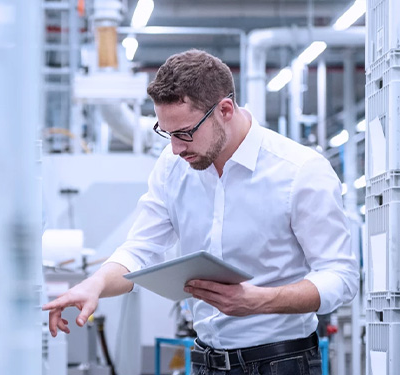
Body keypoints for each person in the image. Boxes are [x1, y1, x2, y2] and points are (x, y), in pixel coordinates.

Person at [43, 49, 359, 375]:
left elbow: (341, 277)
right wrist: (93, 286)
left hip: (282, 362)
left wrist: (259, 300)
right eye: (167, 134)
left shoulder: (299, 171)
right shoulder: (172, 166)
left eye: (184, 133)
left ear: (224, 109)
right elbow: (140, 250)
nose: (176, 148)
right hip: (205, 361)